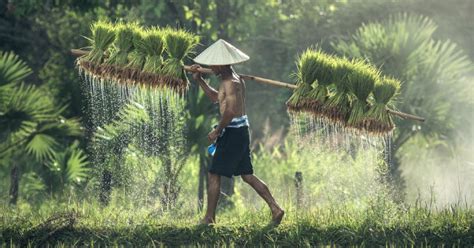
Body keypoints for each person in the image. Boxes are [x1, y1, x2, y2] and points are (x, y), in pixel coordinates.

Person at [190, 39, 284, 226]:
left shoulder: (231, 82)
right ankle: (275, 208)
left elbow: (230, 112)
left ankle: (209, 218)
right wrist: (199, 80)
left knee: (214, 173)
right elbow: (217, 98)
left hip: (233, 132)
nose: (211, 66)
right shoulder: (232, 80)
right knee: (247, 175)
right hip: (240, 131)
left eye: (213, 63)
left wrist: (217, 130)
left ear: (222, 63)